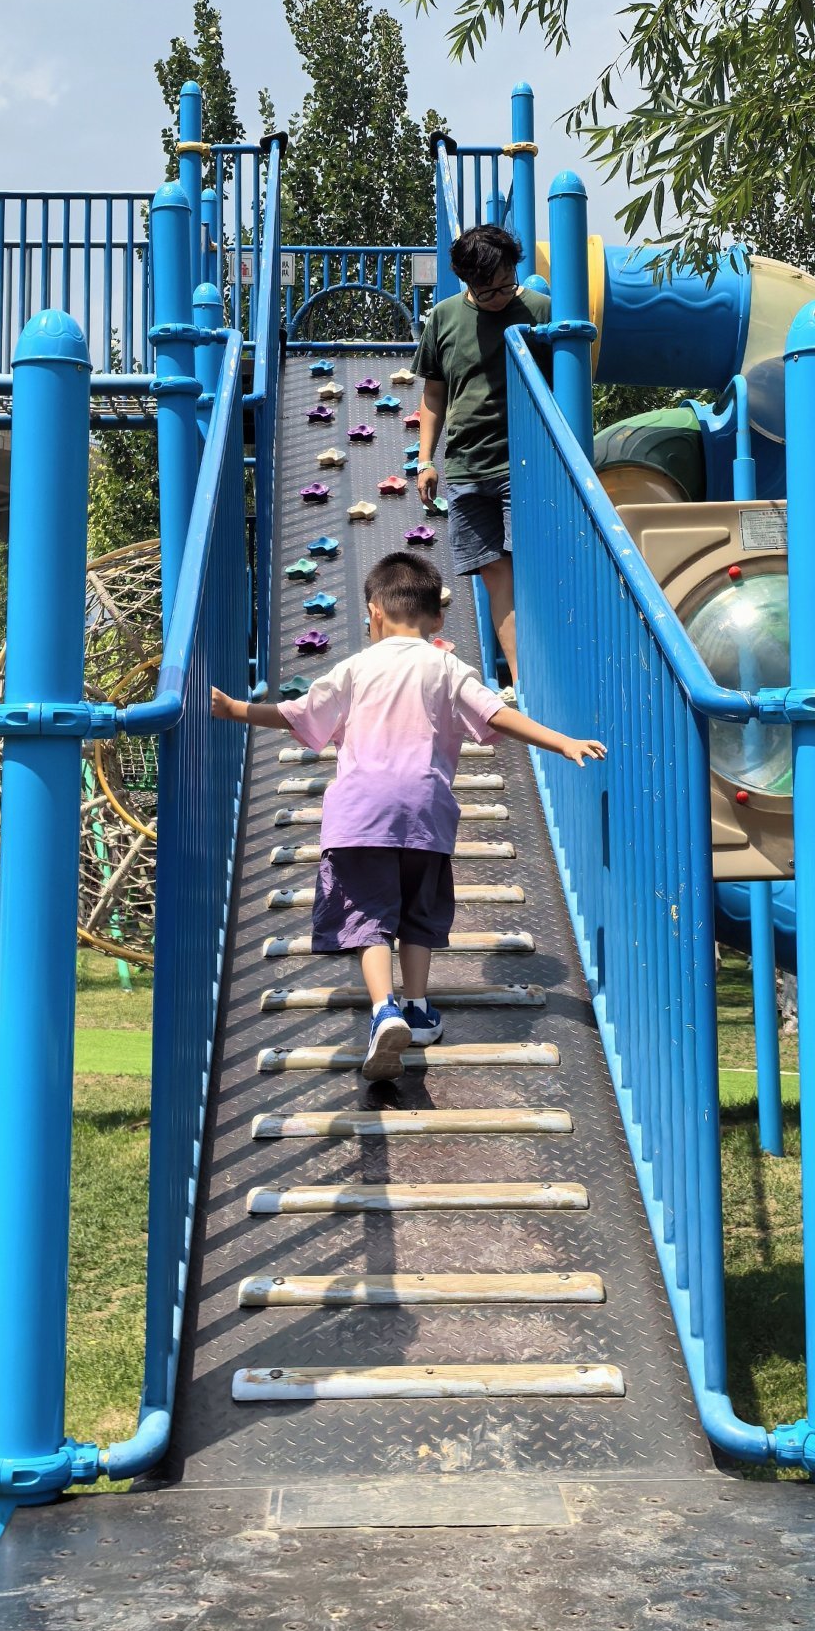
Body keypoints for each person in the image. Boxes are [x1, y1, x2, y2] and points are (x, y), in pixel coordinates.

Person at [210, 549, 603, 1079]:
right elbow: (496, 715)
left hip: (359, 817)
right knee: (419, 912)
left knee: (367, 914)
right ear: (438, 617)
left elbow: (298, 713)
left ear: (373, 612)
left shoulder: (355, 668)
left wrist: (237, 710)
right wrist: (562, 742)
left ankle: (383, 1010)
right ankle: (417, 1008)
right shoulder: (448, 666)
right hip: (424, 814)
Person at [414, 220, 547, 683]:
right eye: (489, 291)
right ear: (467, 281)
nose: (501, 297)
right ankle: (524, 681)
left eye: (508, 283)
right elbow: (434, 395)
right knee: (493, 571)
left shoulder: (539, 311)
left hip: (522, 464)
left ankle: (543, 677)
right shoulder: (444, 318)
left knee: (531, 567)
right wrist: (425, 460)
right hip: (466, 467)